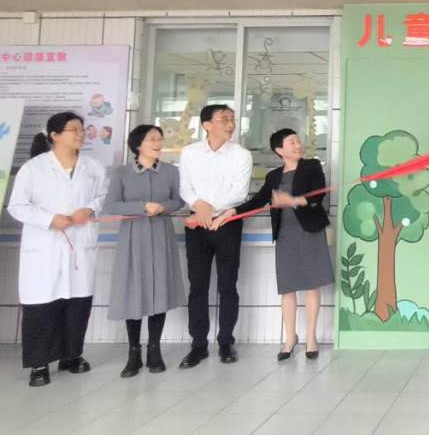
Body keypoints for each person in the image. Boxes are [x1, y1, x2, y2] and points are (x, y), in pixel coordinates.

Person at [8, 112, 108, 387]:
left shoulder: (93, 166)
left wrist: (89, 209)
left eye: (82, 129)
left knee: (77, 304)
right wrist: (49, 219)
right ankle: (39, 363)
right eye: (73, 129)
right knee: (42, 306)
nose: (80, 134)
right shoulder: (34, 168)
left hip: (79, 245)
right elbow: (17, 206)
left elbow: (103, 196)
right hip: (45, 247)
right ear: (54, 135)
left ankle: (72, 356)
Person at [219, 129, 334, 361]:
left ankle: (311, 338)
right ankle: (290, 338)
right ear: (279, 150)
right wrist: (233, 211)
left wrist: (293, 200)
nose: (298, 145)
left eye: (298, 141)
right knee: (287, 287)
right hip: (285, 234)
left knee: (311, 285)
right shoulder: (273, 176)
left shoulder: (311, 166)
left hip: (310, 231)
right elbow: (258, 201)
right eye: (292, 142)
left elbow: (317, 195)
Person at [104, 125, 185, 378]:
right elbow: (110, 205)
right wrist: (142, 206)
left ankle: (154, 349)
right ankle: (133, 352)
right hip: (133, 237)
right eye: (152, 139)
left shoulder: (171, 171)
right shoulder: (121, 173)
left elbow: (179, 200)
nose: (158, 143)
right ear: (138, 145)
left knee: (159, 290)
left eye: (160, 139)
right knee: (133, 292)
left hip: (161, 235)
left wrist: (163, 207)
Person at [178, 104, 252, 368]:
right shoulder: (189, 153)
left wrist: (208, 210)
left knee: (227, 285)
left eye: (232, 119)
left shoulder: (241, 155)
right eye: (224, 119)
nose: (230, 124)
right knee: (197, 285)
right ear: (207, 125)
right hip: (196, 225)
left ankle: (225, 342)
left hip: (227, 224)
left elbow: (239, 192)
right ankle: (198, 345)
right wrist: (199, 206)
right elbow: (184, 186)